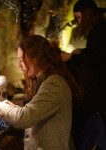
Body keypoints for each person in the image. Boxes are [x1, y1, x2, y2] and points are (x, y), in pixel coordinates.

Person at [0, 35, 76, 150]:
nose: (19, 65)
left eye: (22, 60)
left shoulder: (54, 85)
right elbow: (31, 117)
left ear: (36, 58)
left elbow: (25, 118)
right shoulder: (46, 81)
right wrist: (8, 112)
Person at [61, 0, 106, 148]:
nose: (78, 22)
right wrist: (82, 51)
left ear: (87, 16)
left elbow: (96, 58)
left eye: (80, 18)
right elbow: (96, 52)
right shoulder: (99, 27)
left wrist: (71, 57)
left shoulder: (99, 30)